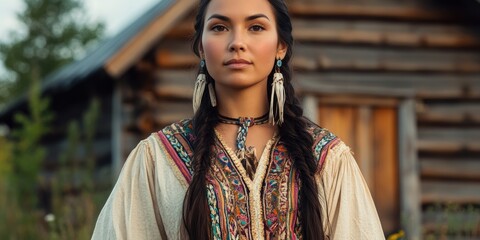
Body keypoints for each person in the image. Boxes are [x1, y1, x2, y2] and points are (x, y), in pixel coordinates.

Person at [91, 0, 385, 239]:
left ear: (281, 46)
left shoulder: (326, 157)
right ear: (201, 47)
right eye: (219, 27)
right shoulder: (158, 158)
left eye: (256, 27)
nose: (237, 42)